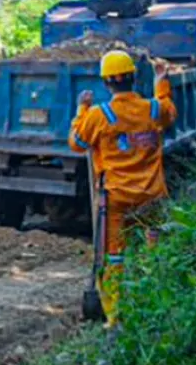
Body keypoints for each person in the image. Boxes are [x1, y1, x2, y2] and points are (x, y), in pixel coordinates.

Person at [69, 49, 177, 327]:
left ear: (106, 83)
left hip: (115, 199)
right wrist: (162, 81)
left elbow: (77, 142)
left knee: (113, 255)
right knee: (157, 247)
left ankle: (114, 316)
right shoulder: (154, 109)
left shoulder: (98, 115)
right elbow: (169, 109)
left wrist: (81, 109)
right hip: (152, 196)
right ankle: (157, 304)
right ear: (133, 78)